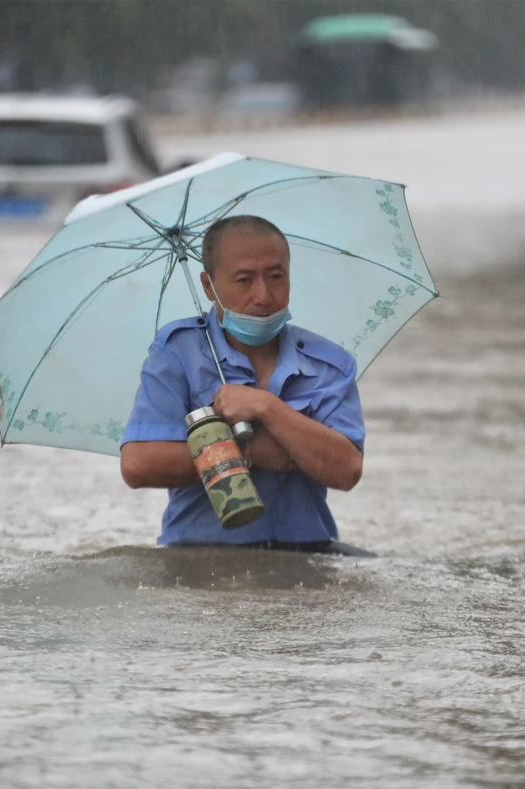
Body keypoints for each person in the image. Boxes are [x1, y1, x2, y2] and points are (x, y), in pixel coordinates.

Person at [120, 215, 365, 548]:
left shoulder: (329, 365)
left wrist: (267, 408)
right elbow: (138, 464)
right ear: (209, 286)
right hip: (201, 557)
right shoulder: (178, 352)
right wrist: (254, 450)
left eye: (276, 277)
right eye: (244, 279)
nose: (263, 296)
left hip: (307, 556)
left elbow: (347, 470)